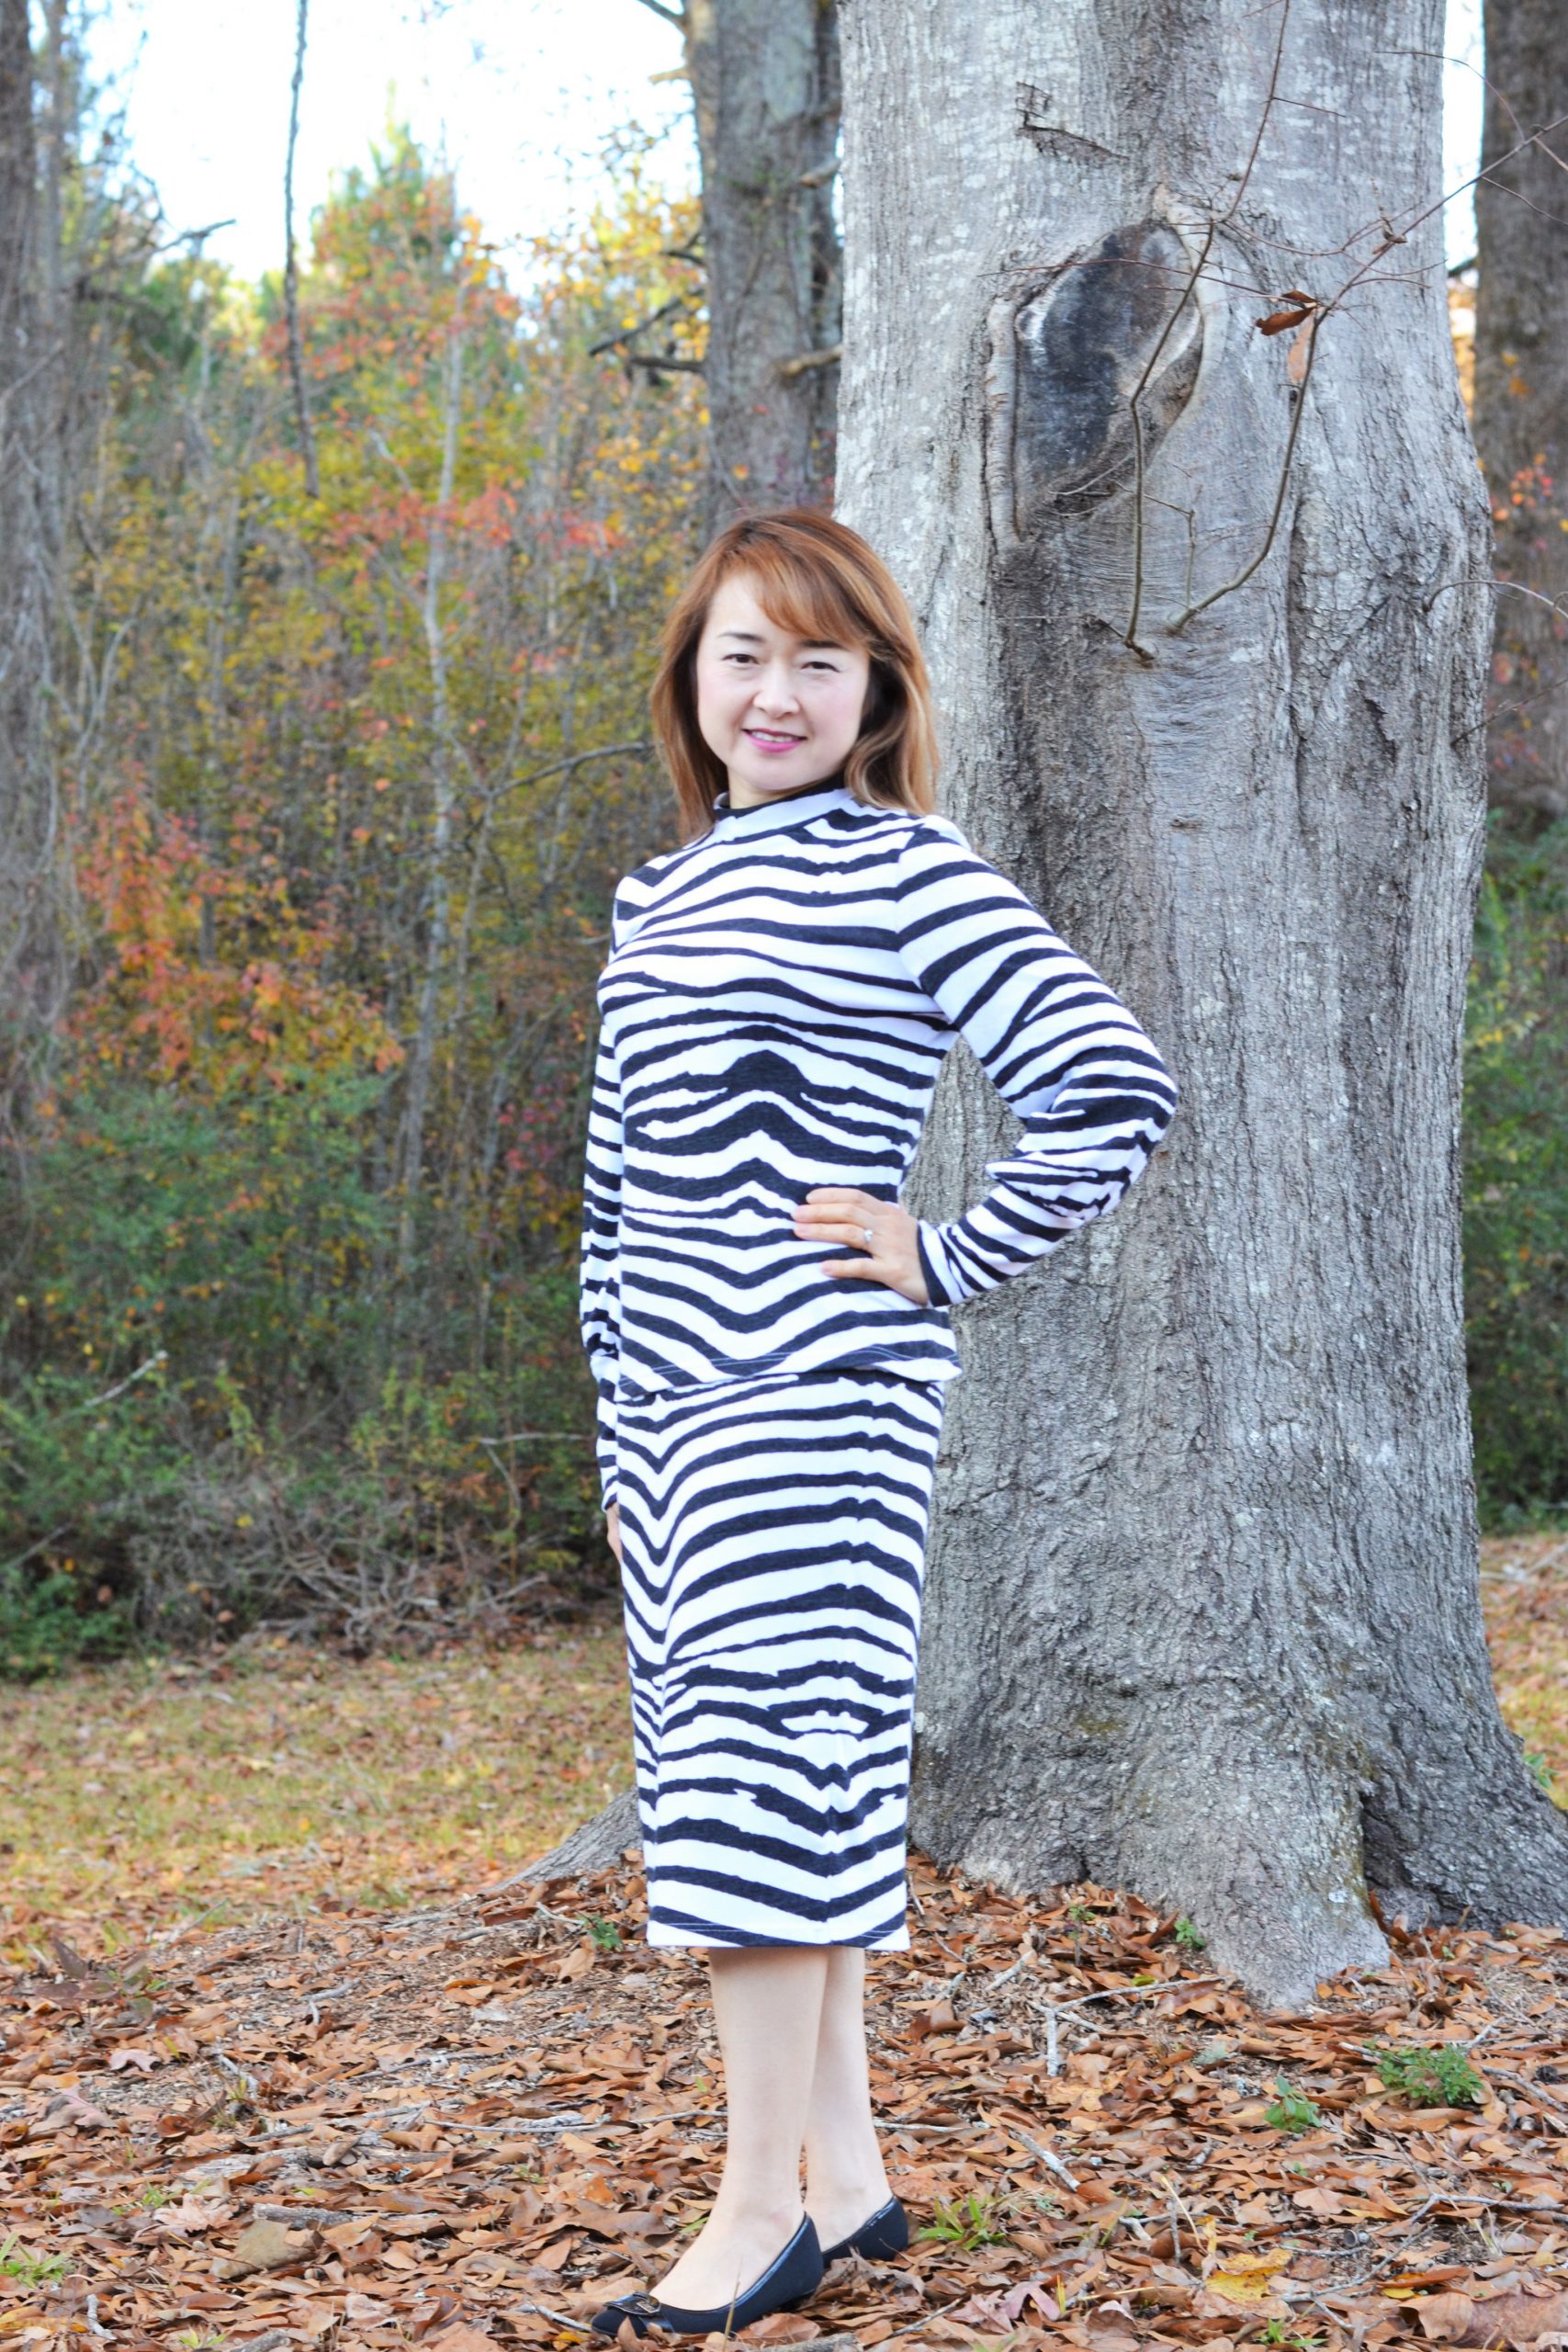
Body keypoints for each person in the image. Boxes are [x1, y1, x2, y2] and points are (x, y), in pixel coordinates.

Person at [579, 510, 1177, 2341]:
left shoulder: (909, 870)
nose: (776, 692)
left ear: (875, 692)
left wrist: (942, 1248)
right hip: (669, 1416)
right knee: (776, 1781)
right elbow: (618, 1191)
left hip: (817, 1404)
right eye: (744, 654)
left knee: (758, 1792)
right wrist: (622, 1412)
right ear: (692, 678)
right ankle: (843, 2175)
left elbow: (1112, 1085)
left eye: (817, 661)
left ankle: (753, 2211)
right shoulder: (659, 897)